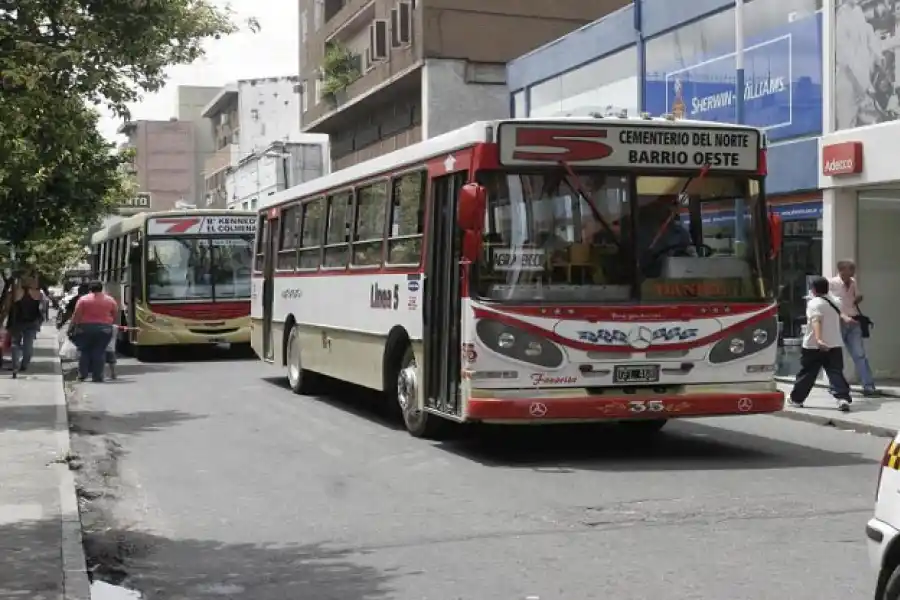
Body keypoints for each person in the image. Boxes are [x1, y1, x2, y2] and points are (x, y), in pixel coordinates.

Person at [789, 276, 854, 412]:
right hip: (834, 343)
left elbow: (816, 321)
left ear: (813, 289)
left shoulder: (814, 304)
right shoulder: (836, 301)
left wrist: (819, 340)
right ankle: (842, 398)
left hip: (814, 345)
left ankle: (796, 399)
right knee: (835, 372)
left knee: (808, 373)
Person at [829, 259, 878, 395]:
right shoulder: (832, 283)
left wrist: (858, 298)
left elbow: (856, 296)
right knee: (836, 355)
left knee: (859, 354)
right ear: (841, 270)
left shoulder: (853, 282)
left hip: (854, 320)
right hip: (839, 321)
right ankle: (835, 385)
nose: (853, 272)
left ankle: (868, 386)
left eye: (853, 269)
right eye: (850, 269)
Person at [70, 281, 117, 383]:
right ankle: (98, 376)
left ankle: (82, 375)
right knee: (100, 352)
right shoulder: (110, 300)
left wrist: (73, 326)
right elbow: (114, 314)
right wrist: (108, 323)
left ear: (90, 289)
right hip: (104, 329)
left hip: (85, 328)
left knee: (84, 351)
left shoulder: (83, 299)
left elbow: (76, 314)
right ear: (101, 289)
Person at [5, 275, 44, 378]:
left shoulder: (14, 293)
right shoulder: (37, 294)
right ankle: (24, 364)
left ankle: (15, 366)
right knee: (28, 344)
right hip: (32, 322)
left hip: (16, 322)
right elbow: (41, 308)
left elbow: (8, 307)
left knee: (15, 343)